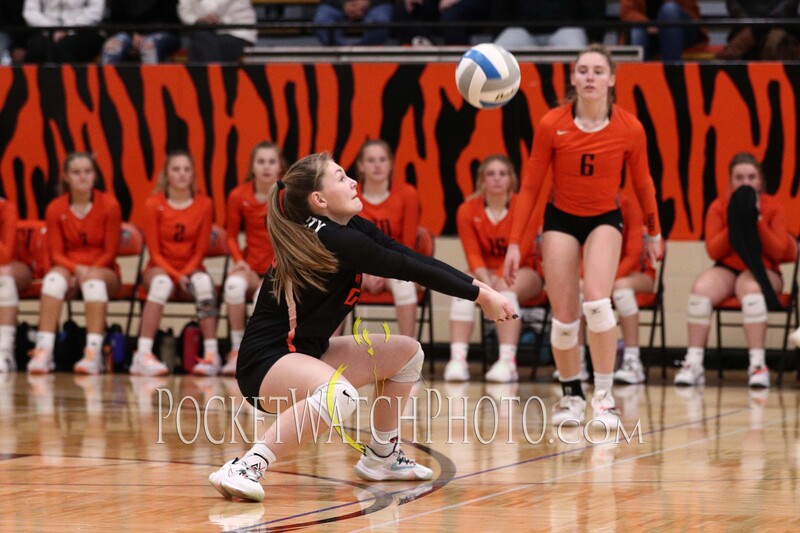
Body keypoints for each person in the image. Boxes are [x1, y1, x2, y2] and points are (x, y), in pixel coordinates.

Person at [208, 152, 515, 502]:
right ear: (319, 200)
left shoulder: (349, 228)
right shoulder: (336, 240)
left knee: (407, 354)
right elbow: (410, 269)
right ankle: (247, 466)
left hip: (306, 352)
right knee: (340, 395)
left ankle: (382, 457)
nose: (353, 182)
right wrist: (479, 295)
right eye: (341, 178)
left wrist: (484, 291)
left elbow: (411, 256)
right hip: (265, 364)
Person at [503, 44, 663, 429]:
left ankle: (604, 399)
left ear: (611, 80)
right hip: (560, 220)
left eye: (597, 71)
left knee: (597, 304)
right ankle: (572, 395)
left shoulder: (629, 128)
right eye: (583, 70)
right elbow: (530, 187)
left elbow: (643, 183)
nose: (590, 77)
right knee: (565, 318)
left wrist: (654, 233)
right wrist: (513, 243)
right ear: (573, 79)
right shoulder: (551, 124)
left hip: (604, 220)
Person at [674, 152, 789, 389]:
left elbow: (780, 251)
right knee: (700, 289)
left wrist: (756, 220)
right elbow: (714, 251)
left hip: (765, 270)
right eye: (739, 178)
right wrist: (734, 219)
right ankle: (693, 363)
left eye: (751, 177)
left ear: (760, 181)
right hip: (728, 268)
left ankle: (758, 365)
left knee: (751, 289)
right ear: (730, 182)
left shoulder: (773, 207)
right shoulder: (719, 207)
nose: (745, 183)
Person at [444, 154, 544, 383]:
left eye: (503, 173)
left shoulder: (525, 207)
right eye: (491, 173)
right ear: (481, 180)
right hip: (484, 273)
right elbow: (472, 253)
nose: (497, 179)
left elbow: (525, 248)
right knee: (461, 290)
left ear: (512, 179)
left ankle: (507, 362)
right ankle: (458, 359)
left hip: (523, 271)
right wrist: (485, 279)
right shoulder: (467, 210)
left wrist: (498, 279)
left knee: (507, 290)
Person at [28, 152, 122, 375]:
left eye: (88, 172)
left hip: (103, 268)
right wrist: (76, 270)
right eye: (76, 172)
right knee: (52, 281)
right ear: (66, 177)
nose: (83, 177)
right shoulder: (55, 208)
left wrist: (89, 272)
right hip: (70, 266)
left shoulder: (109, 205)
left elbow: (110, 252)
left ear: (95, 176)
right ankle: (44, 350)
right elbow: (56, 253)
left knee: (93, 284)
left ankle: (93, 353)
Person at [129, 149, 219, 377]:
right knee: (161, 283)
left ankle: (211, 355)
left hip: (191, 268)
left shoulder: (204, 204)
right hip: (160, 267)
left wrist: (186, 272)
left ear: (193, 175)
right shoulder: (153, 203)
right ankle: (143, 355)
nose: (181, 174)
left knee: (204, 285)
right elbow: (154, 252)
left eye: (186, 169)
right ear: (167, 174)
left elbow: (200, 251)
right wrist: (176, 275)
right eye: (176, 169)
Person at [223, 141, 286, 377]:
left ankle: (262, 352)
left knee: (264, 295)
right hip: (251, 266)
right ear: (252, 166)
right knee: (233, 285)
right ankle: (236, 349)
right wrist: (240, 261)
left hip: (278, 268)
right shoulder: (239, 195)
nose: (266, 167)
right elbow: (230, 237)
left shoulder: (286, 195)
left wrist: (275, 271)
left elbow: (294, 239)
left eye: (272, 161)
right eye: (261, 162)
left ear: (280, 166)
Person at [355, 140, 421, 339]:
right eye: (371, 160)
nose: (377, 165)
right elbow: (344, 242)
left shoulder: (407, 194)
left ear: (391, 164)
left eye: (382, 160)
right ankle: (328, 353)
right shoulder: (349, 194)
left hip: (396, 265)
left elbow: (407, 245)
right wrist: (365, 271)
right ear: (360, 166)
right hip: (359, 266)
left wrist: (383, 272)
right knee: (335, 282)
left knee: (405, 286)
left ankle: (409, 356)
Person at [612, 191, 656, 385]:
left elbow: (632, 255)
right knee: (576, 289)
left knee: (621, 289)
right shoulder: (583, 205)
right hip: (600, 276)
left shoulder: (628, 204)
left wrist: (604, 281)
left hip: (638, 275)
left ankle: (632, 360)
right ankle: (577, 362)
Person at [0, 198, 33, 372]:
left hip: (15, 267)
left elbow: (5, 256)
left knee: (2, 275)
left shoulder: (6, 208)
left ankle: (5, 352)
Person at [493, 0, 606, 50]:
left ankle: (575, 97)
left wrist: (594, 38)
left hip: (567, 29)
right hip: (521, 30)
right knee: (498, 53)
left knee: (576, 45)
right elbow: (500, 9)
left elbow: (593, 8)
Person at [22, 0, 106, 64]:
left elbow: (95, 12)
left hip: (84, 30)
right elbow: (30, 12)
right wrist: (53, 28)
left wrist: (67, 28)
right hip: (47, 30)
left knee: (63, 47)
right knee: (37, 47)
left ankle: (71, 84)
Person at [620, 0, 706, 61]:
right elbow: (627, 12)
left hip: (681, 31)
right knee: (637, 30)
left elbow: (689, 7)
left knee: (669, 10)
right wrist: (648, 24)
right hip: (649, 33)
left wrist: (661, 25)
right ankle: (640, 78)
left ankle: (672, 73)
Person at [100, 0, 181, 65]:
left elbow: (171, 19)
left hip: (161, 31)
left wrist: (144, 35)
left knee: (148, 46)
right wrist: (131, 34)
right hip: (127, 32)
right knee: (112, 47)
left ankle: (151, 83)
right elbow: (113, 19)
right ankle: (106, 84)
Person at [177, 0, 257, 63]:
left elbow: (212, 9)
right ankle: (212, 79)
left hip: (237, 33)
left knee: (198, 43)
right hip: (210, 34)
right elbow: (183, 13)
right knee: (197, 41)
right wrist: (197, 20)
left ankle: (209, 79)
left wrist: (196, 16)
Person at [716, 0, 800, 60]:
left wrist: (754, 30)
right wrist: (751, 26)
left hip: (783, 26)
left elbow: (785, 9)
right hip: (744, 28)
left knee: (776, 39)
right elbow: (735, 8)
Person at [313, 0, 394, 46]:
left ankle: (364, 53)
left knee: (380, 21)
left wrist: (367, 3)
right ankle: (342, 51)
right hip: (337, 5)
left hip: (375, 4)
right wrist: (343, 5)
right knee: (323, 21)